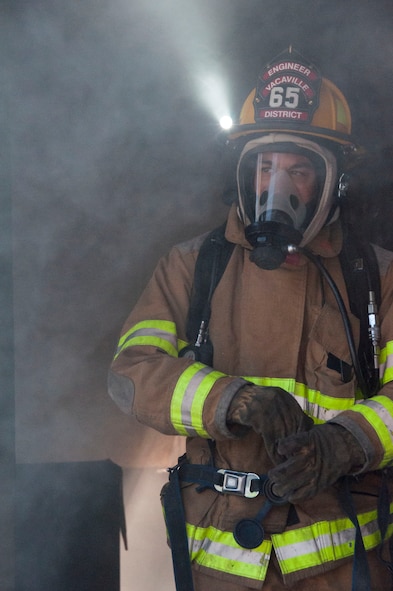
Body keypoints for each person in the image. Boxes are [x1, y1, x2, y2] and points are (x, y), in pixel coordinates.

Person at [108, 47, 393, 591]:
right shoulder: (193, 266)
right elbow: (130, 373)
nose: (275, 187)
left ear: (335, 182)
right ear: (243, 170)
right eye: (264, 165)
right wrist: (230, 400)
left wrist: (345, 443)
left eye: (299, 169)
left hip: (342, 566)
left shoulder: (378, 278)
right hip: (220, 566)